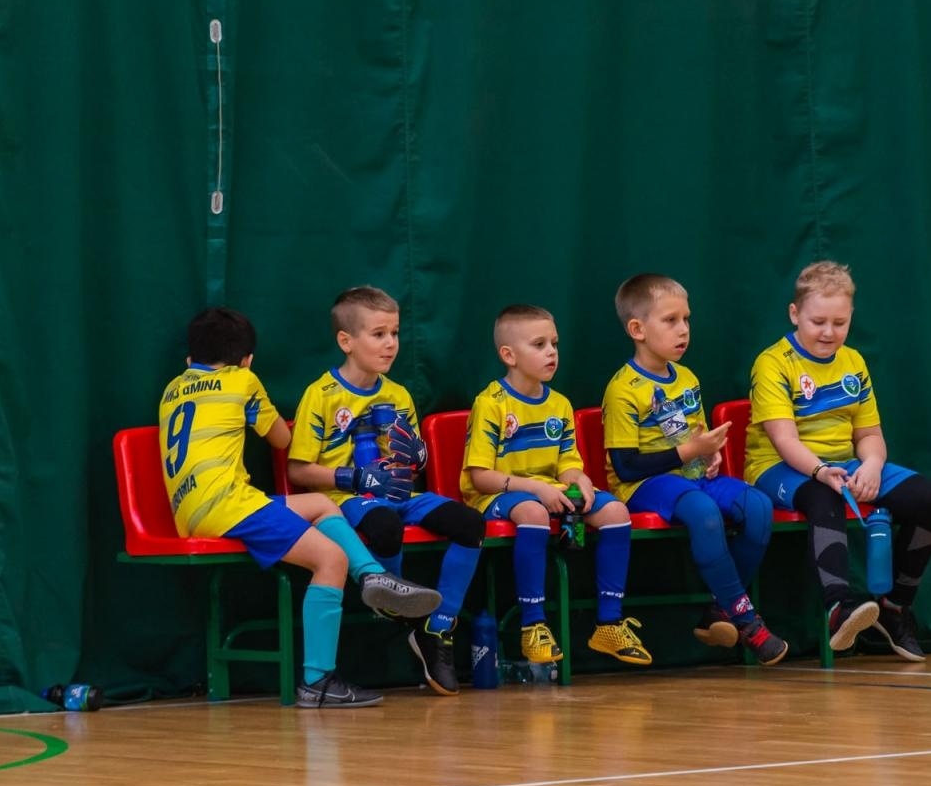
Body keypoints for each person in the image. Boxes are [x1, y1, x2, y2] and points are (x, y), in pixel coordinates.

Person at [159, 308, 440, 708]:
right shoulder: (242, 379)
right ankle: (318, 681)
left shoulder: (173, 387)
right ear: (248, 359)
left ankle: (374, 575)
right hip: (228, 504)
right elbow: (277, 439)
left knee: (321, 504)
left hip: (191, 510)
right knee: (330, 560)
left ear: (190, 360)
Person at [287, 286, 485, 696]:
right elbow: (298, 471)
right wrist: (353, 479)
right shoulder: (321, 395)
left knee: (469, 522)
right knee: (383, 525)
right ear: (347, 340)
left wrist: (417, 455)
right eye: (378, 334)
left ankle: (436, 626)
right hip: (349, 501)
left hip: (401, 495)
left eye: (394, 333)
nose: (390, 344)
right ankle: (396, 605)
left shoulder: (397, 394)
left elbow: (410, 465)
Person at [744, 260, 931, 660]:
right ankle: (839, 608)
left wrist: (871, 466)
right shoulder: (773, 363)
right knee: (824, 497)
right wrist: (821, 471)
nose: (829, 332)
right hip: (779, 467)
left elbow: (869, 435)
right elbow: (784, 440)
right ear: (794, 314)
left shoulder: (853, 361)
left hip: (843, 462)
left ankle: (894, 609)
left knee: (927, 498)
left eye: (840, 322)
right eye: (818, 321)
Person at [601, 273, 787, 665]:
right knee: (704, 515)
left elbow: (695, 440)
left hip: (692, 477)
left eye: (686, 319)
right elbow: (626, 467)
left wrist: (709, 455)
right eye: (670, 321)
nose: (683, 330)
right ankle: (748, 621)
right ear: (637, 329)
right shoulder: (623, 389)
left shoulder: (686, 378)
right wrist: (690, 453)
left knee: (757, 505)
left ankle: (720, 610)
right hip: (645, 486)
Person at [462, 304, 650, 667]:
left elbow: (567, 463)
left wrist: (579, 481)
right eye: (539, 344)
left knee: (615, 511)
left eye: (554, 343)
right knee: (532, 511)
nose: (551, 352)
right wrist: (536, 489)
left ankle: (608, 623)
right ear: (509, 355)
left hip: (550, 490)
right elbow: (480, 477)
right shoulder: (491, 404)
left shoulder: (559, 404)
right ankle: (533, 626)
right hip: (497, 495)